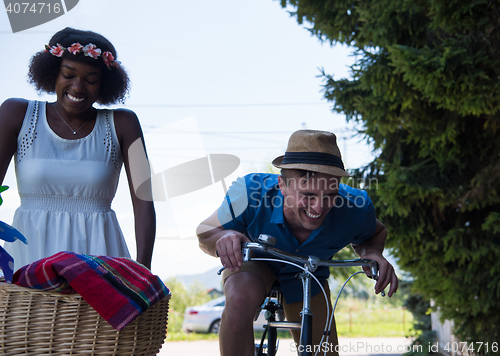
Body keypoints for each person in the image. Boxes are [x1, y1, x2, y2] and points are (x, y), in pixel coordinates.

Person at [197, 129, 398, 356]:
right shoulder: (248, 192)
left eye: (330, 195)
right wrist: (223, 237)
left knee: (323, 353)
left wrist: (372, 252)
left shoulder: (355, 206)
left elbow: (375, 232)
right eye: (309, 195)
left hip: (309, 274)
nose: (319, 208)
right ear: (282, 185)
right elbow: (205, 232)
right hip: (256, 263)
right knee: (240, 299)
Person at [0, 28, 156, 270]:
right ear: (52, 73)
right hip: (29, 257)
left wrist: (143, 273)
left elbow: (144, 202)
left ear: (104, 84)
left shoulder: (124, 124)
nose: (78, 86)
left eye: (91, 79)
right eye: (68, 74)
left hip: (100, 259)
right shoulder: (16, 114)